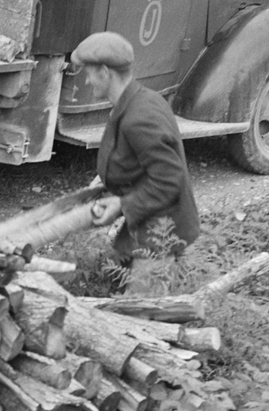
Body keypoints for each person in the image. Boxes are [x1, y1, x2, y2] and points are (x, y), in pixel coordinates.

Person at [72, 30, 200, 270]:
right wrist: (103, 180)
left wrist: (121, 205)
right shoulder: (137, 100)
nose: (87, 81)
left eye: (88, 73)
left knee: (140, 294)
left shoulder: (139, 118)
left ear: (104, 72)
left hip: (162, 233)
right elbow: (132, 157)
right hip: (149, 220)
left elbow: (169, 180)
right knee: (119, 274)